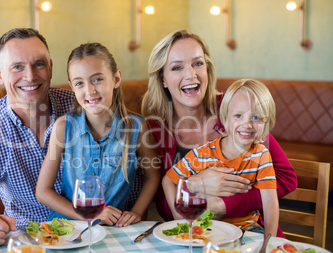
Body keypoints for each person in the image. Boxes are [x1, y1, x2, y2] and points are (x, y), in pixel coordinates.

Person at [141, 29, 297, 235]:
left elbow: (286, 178)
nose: (191, 74)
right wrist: (193, 185)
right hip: (197, 237)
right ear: (162, 79)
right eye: (177, 67)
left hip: (251, 234)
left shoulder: (236, 109)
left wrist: (226, 205)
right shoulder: (155, 130)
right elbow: (163, 203)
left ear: (207, 69)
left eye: (198, 63)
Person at [0, 28, 75, 248]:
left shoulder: (79, 107)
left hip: (88, 232)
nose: (30, 76)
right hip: (26, 242)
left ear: (51, 67)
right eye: (17, 67)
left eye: (39, 64)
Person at [36, 43, 160, 227]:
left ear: (116, 78)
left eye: (97, 79)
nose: (90, 90)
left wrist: (136, 212)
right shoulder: (64, 127)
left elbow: (153, 176)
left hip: (113, 230)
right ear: (72, 87)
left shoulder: (137, 128)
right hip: (66, 228)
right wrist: (91, 216)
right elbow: (43, 191)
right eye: (79, 83)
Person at [164, 79, 279, 236]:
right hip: (207, 228)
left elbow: (269, 201)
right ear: (225, 118)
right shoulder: (202, 154)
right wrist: (178, 217)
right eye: (238, 115)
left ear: (267, 122)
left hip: (247, 228)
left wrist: (269, 240)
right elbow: (168, 180)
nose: (247, 124)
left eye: (256, 117)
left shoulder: (262, 155)